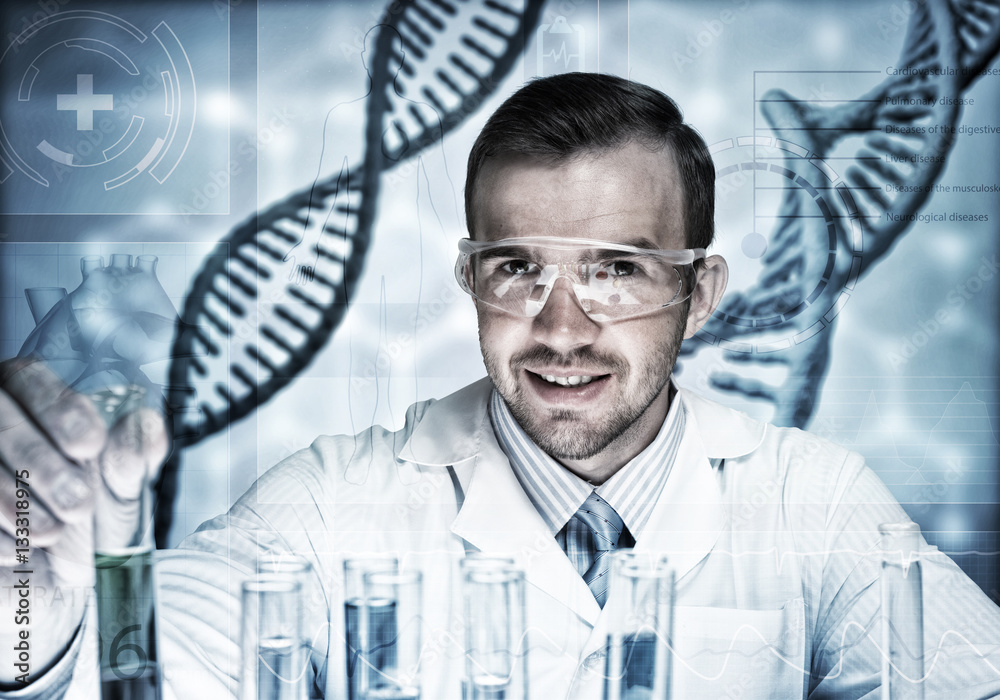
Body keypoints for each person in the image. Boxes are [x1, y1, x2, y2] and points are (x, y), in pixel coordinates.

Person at [2, 72, 999, 699]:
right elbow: (165, 663)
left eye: (615, 269)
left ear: (699, 293)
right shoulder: (332, 499)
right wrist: (29, 620)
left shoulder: (811, 500)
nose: (562, 329)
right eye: (519, 269)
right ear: (470, 279)